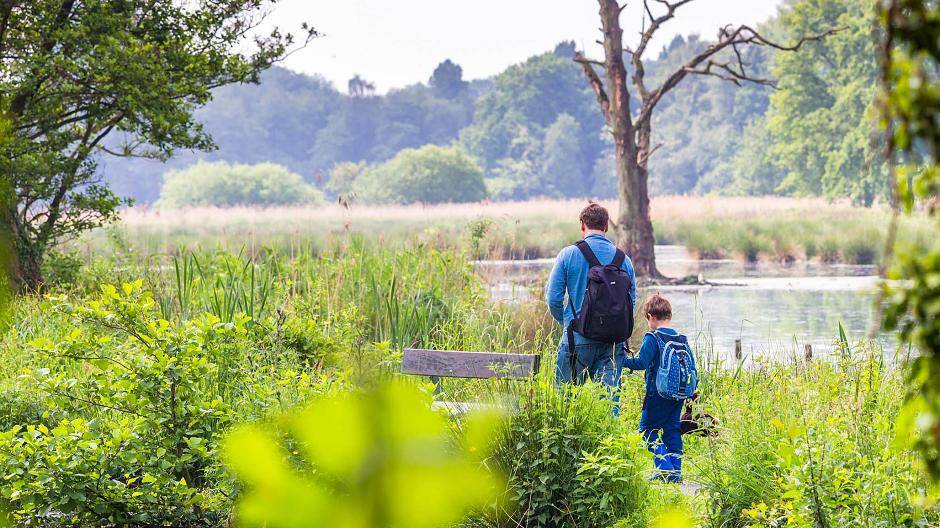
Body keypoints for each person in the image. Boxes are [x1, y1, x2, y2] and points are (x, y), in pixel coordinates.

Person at [546, 202, 636, 392]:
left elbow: (553, 298)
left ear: (582, 225)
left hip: (576, 339)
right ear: (606, 226)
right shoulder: (624, 260)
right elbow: (631, 302)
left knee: (565, 400)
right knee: (610, 403)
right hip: (613, 343)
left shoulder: (568, 255)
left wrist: (567, 321)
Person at [622, 293, 686, 483]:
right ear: (670, 316)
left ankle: (665, 467)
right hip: (678, 394)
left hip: (657, 393)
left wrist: (622, 361)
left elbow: (641, 362)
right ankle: (676, 471)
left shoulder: (653, 337)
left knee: (646, 430)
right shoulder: (680, 337)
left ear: (650, 316)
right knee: (672, 429)